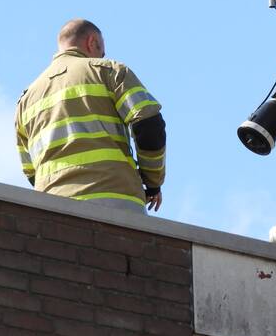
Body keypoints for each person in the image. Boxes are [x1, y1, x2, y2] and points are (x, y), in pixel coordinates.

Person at [15, 19, 166, 213]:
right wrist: (152, 182)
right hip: (115, 197)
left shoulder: (25, 101)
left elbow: (30, 171)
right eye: (101, 52)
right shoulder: (109, 72)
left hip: (50, 210)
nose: (102, 57)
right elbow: (149, 125)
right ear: (92, 42)